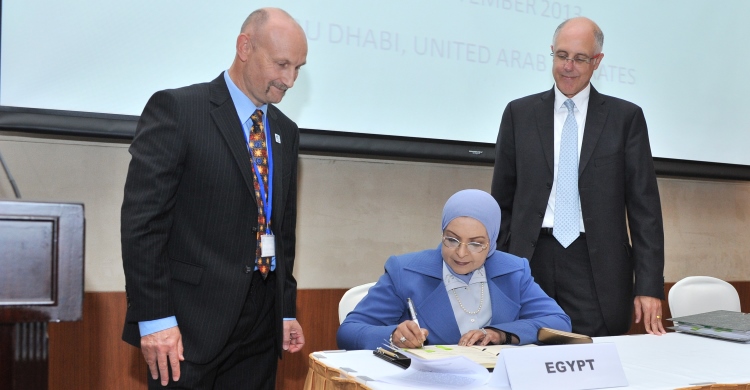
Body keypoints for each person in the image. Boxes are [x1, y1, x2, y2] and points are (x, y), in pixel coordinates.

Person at [120, 8, 307, 389]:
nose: (289, 80)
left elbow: (280, 230)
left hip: (260, 327)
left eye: (298, 68)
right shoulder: (179, 110)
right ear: (244, 47)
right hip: (187, 328)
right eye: (282, 64)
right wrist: (155, 320)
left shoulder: (285, 131)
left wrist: (285, 310)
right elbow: (143, 225)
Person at [490, 17, 666, 337]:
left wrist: (649, 285)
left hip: (596, 267)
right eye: (561, 56)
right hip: (530, 261)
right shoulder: (519, 115)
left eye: (580, 58)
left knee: (596, 363)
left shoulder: (625, 119)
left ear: (597, 61)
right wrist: (502, 267)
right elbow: (501, 201)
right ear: (552, 54)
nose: (568, 66)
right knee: (525, 354)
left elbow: (645, 211)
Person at [337, 189, 571, 350]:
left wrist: (500, 334)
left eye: (476, 243)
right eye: (452, 239)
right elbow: (349, 331)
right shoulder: (405, 271)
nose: (461, 253)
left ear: (492, 241)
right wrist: (392, 336)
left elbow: (559, 322)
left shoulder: (513, 270)